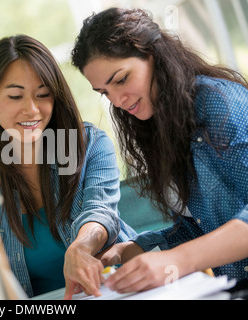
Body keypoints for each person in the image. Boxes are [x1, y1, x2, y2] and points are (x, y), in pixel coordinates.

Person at [71, 7, 248, 293]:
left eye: (121, 79)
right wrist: (138, 247)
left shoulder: (217, 103)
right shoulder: (160, 123)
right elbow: (207, 224)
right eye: (104, 92)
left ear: (153, 56)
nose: (116, 100)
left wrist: (176, 259)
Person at [0, 34, 136, 298]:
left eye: (43, 95)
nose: (32, 110)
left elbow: (100, 212)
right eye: (16, 96)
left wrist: (81, 247)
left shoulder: (90, 145)